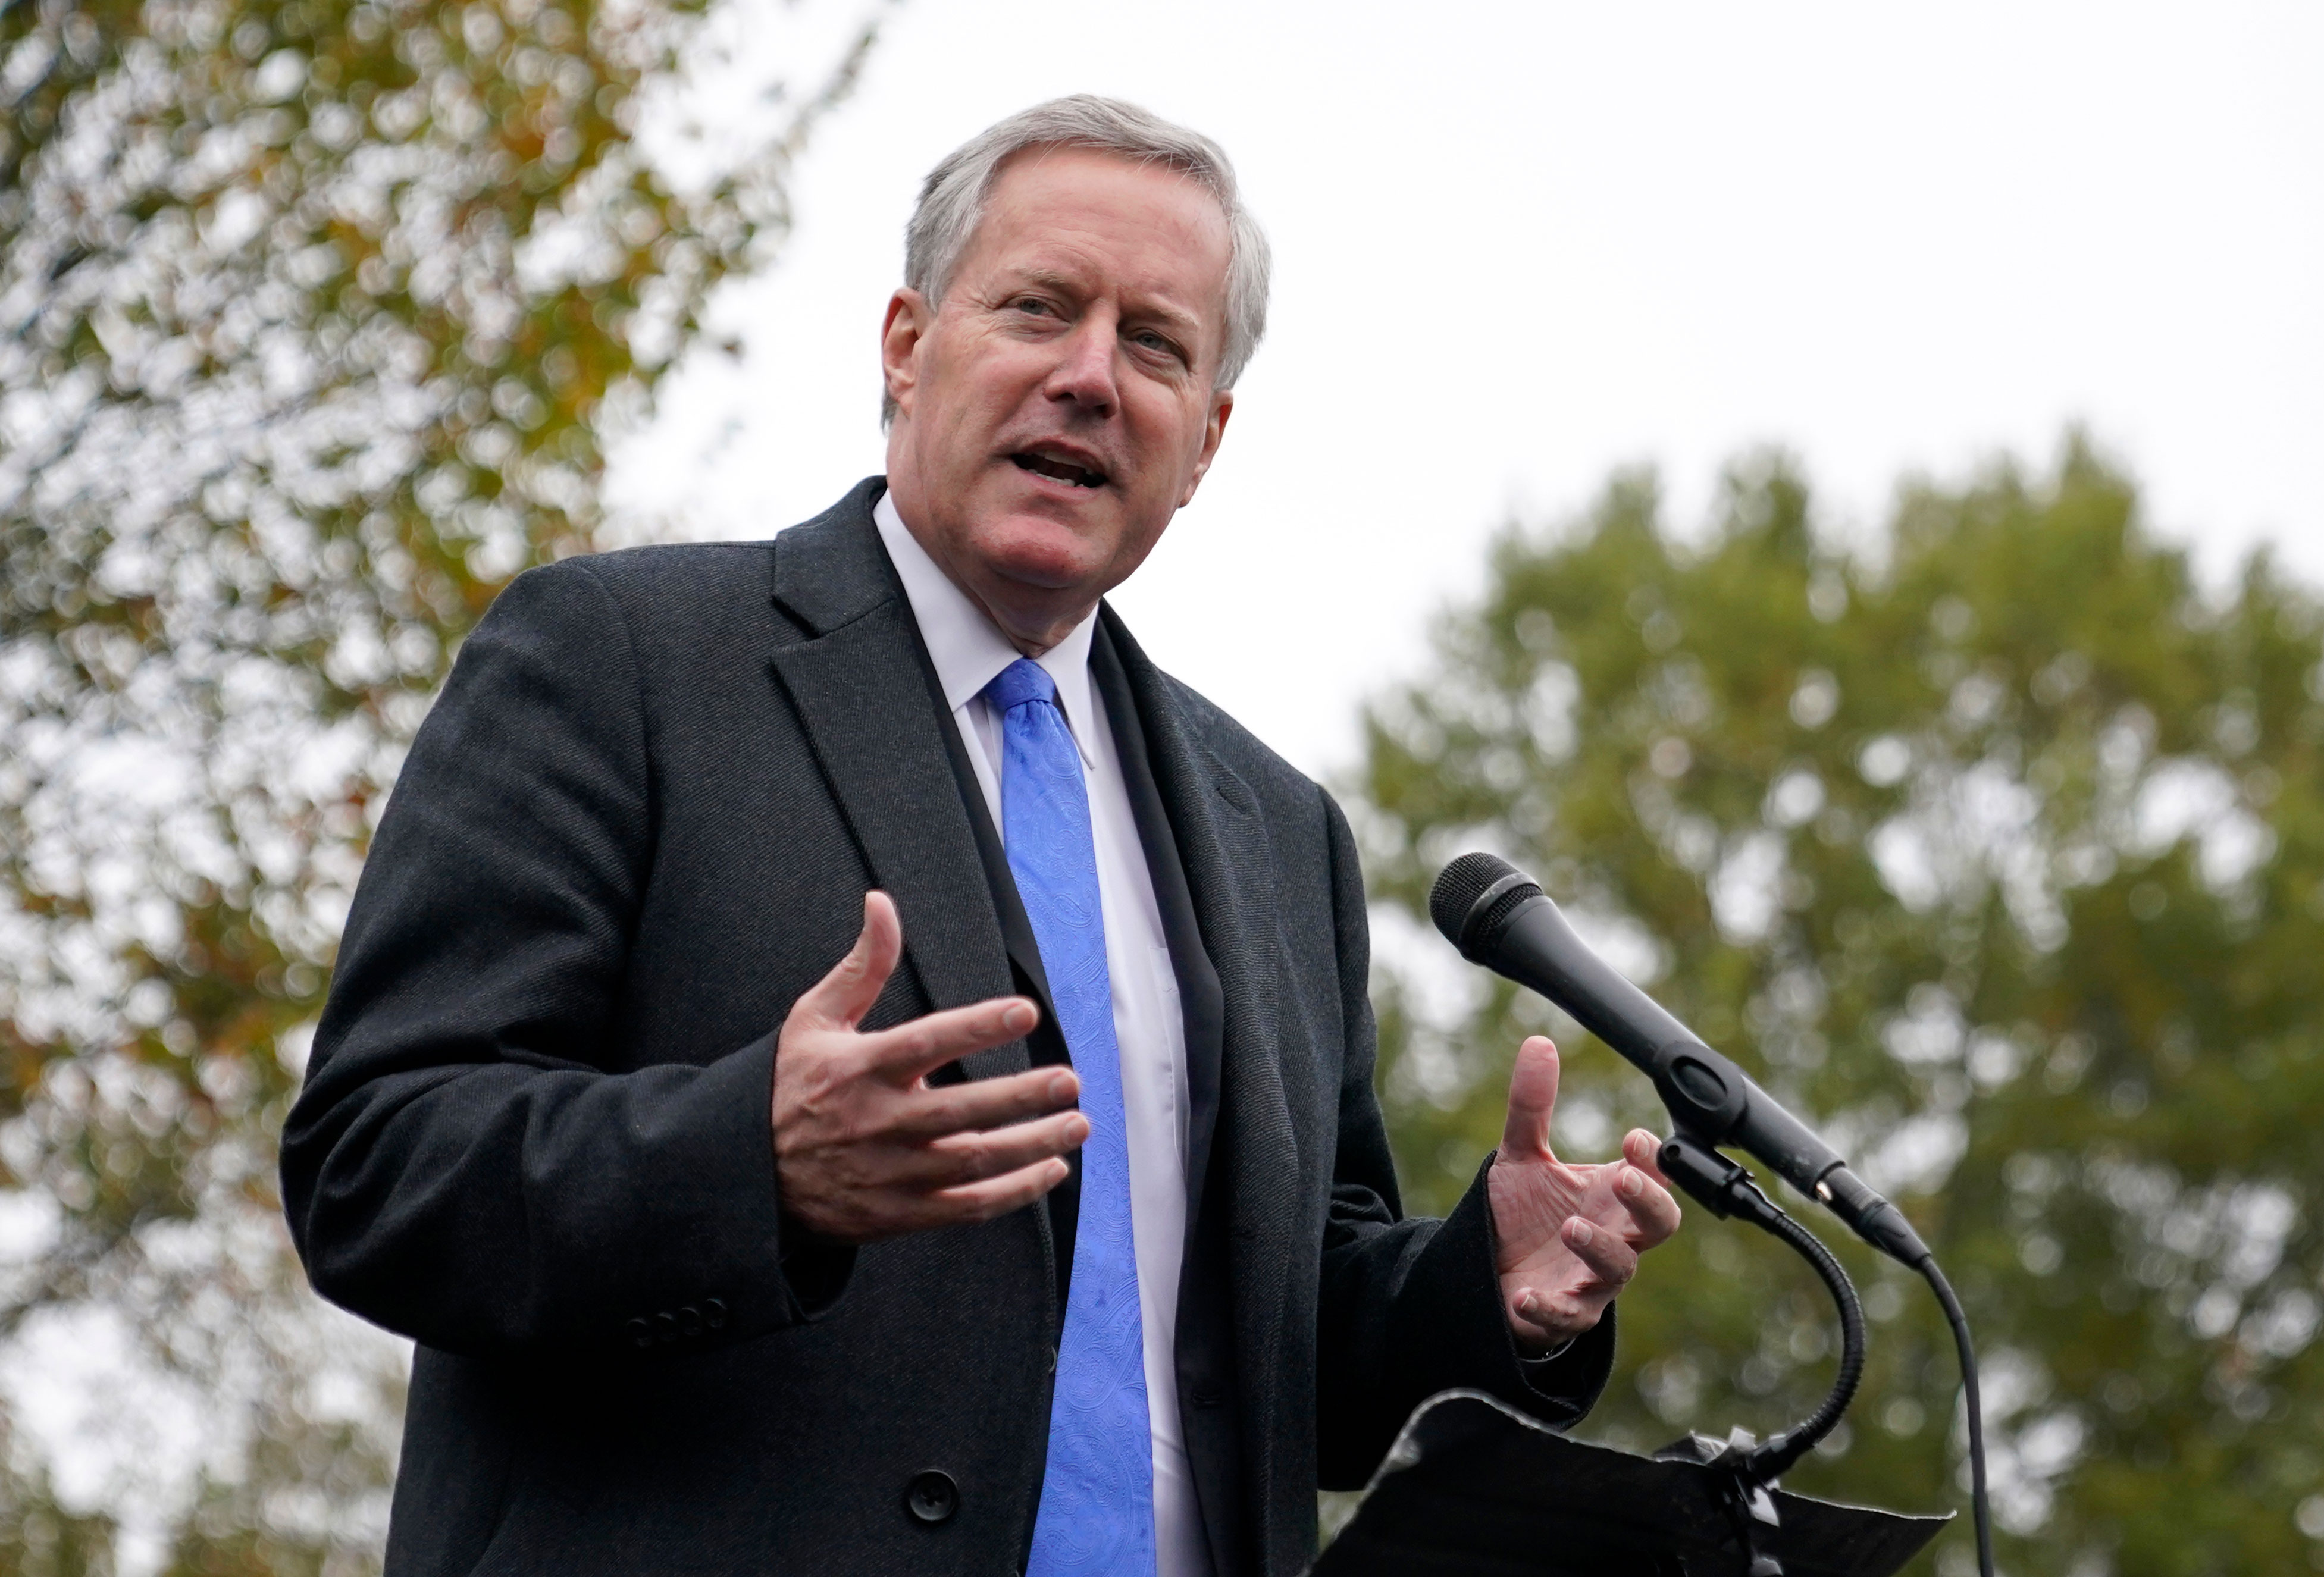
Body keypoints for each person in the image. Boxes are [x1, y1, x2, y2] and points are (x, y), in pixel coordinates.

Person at [280, 95, 1680, 1577]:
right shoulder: (622, 664)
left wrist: (1486, 1290)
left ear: (1203, 441)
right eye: (1036, 309)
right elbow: (377, 1165)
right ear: (905, 344)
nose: (1088, 377)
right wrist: (749, 1166)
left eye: (1154, 345)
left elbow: (1280, 1372)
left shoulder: (1279, 832)